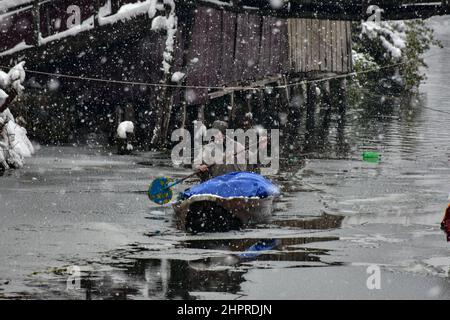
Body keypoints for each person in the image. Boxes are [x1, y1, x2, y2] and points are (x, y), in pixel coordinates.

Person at [193, 120, 267, 182]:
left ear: (224, 133)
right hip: (217, 183)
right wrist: (199, 167)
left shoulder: (237, 146)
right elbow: (196, 164)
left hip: (236, 181)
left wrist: (261, 149)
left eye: (219, 133)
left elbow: (253, 160)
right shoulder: (207, 149)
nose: (216, 135)